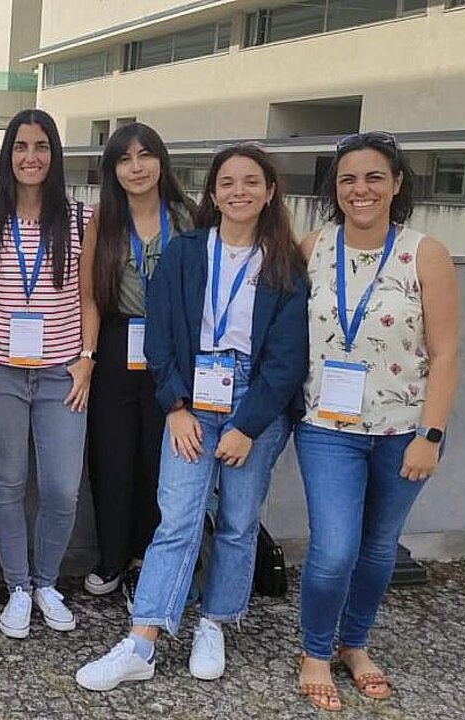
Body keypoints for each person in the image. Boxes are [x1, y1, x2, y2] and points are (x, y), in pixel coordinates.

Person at [76, 143, 309, 691]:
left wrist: (248, 426)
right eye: (227, 182)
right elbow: (159, 337)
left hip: (257, 401)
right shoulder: (185, 252)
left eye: (251, 182)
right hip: (191, 397)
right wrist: (175, 407)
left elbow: (287, 357)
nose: (239, 192)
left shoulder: (284, 263)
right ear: (212, 192)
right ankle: (142, 640)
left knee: (237, 520)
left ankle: (214, 622)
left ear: (270, 191)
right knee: (176, 516)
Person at [294, 132, 459, 712]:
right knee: (334, 548)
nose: (359, 189)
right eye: (347, 179)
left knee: (379, 548)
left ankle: (354, 644)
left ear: (396, 184)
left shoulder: (425, 252)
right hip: (326, 427)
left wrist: (430, 434)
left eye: (372, 177)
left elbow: (444, 351)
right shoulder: (312, 245)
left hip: (403, 431)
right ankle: (315, 651)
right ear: (333, 190)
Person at [0, 109, 97, 640]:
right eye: (20, 147)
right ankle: (18, 587)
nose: (30, 157)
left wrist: (87, 357)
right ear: (7, 155)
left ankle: (47, 582)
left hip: (63, 373)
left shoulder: (82, 218)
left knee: (63, 488)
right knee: (7, 484)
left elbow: (89, 296)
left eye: (41, 146)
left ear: (55, 154)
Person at [83, 122, 196, 608]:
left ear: (161, 162)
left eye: (145, 155)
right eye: (125, 159)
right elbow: (90, 295)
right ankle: (111, 557)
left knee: (158, 459)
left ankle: (142, 564)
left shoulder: (186, 218)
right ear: (113, 170)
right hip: (114, 343)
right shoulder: (102, 220)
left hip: (170, 347)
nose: (136, 167)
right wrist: (87, 356)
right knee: (111, 457)